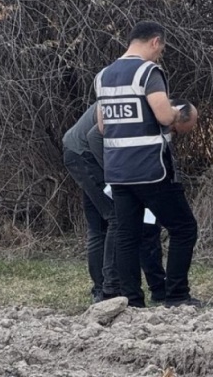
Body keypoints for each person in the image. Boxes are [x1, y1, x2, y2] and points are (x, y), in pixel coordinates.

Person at [95, 20, 204, 308]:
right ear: (155, 41)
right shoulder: (148, 72)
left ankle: (131, 300)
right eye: (161, 48)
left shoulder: (104, 76)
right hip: (150, 169)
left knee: (127, 236)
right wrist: (177, 112)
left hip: (117, 171)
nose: (160, 55)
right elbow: (164, 116)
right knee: (184, 228)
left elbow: (103, 127)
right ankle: (177, 295)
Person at [62, 102, 169, 304]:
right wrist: (115, 176)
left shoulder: (126, 95)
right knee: (117, 218)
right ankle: (110, 289)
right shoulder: (133, 103)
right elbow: (95, 137)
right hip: (85, 154)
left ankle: (102, 289)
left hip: (79, 151)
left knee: (101, 225)